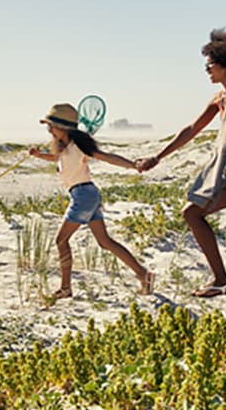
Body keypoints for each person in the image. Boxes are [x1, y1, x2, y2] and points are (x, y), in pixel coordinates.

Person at [137, 29, 226, 316]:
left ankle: (222, 280)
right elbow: (191, 130)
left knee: (192, 212)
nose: (206, 68)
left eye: (211, 63)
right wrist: (158, 156)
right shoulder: (220, 98)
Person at [29, 103, 154, 299]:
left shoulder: (79, 145)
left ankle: (65, 288)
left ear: (63, 127)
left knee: (61, 241)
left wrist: (133, 165)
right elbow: (58, 159)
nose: (49, 130)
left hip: (83, 196)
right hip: (88, 194)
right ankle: (143, 275)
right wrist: (39, 155)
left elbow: (106, 157)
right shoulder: (66, 147)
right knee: (105, 242)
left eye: (51, 126)